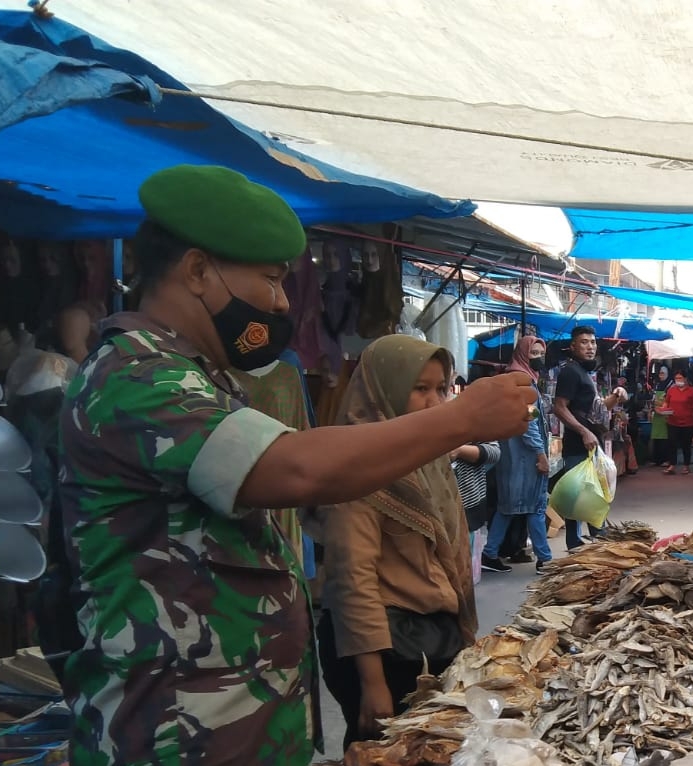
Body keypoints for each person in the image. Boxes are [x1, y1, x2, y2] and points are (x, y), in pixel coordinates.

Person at [56, 164, 536, 766]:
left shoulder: (198, 377)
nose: (283, 302)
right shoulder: (137, 378)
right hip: (174, 732)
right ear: (197, 271)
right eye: (271, 279)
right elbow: (297, 470)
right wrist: (461, 418)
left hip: (230, 724)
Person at [318, 334, 476, 749]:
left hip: (431, 636)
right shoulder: (359, 469)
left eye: (441, 388)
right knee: (382, 751)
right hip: (384, 650)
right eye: (420, 388)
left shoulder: (428, 457)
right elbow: (353, 581)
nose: (435, 402)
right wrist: (373, 684)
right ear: (383, 391)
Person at [483, 336, 554, 574]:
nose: (539, 358)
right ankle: (545, 559)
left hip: (512, 457)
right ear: (523, 355)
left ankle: (489, 553)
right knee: (535, 507)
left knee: (507, 507)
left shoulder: (514, 380)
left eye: (541, 353)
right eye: (533, 353)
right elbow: (529, 423)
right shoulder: (523, 385)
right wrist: (540, 454)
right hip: (525, 458)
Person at [552, 326, 622, 549]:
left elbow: (597, 408)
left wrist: (616, 395)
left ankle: (591, 541)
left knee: (592, 493)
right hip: (578, 445)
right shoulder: (570, 372)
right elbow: (559, 407)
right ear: (573, 346)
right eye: (584, 342)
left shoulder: (585, 373)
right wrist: (584, 432)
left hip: (591, 445)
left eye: (592, 342)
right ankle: (585, 542)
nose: (590, 347)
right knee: (581, 496)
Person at [659, 371, 693, 475]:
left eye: (680, 378)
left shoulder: (692, 391)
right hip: (672, 421)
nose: (678, 380)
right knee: (672, 444)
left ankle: (686, 466)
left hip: (688, 422)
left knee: (686, 445)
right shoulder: (671, 390)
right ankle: (672, 465)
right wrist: (663, 410)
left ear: (685, 379)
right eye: (676, 378)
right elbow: (666, 402)